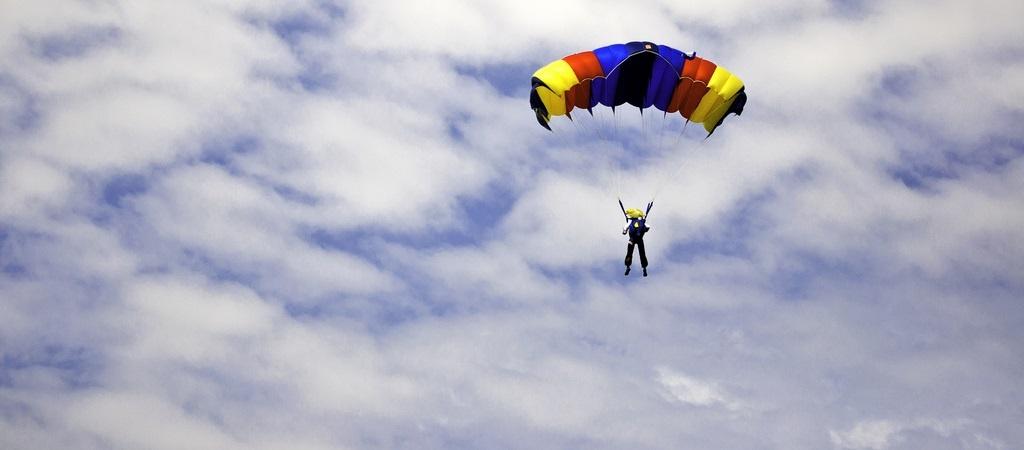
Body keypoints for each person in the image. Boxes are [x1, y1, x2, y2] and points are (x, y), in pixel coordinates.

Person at [622, 207, 650, 276]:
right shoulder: (642, 221)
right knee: (642, 253)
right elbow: (648, 227)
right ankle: (644, 268)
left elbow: (624, 230)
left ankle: (628, 267)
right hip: (640, 239)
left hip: (632, 239)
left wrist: (624, 231)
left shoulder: (630, 221)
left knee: (629, 253)